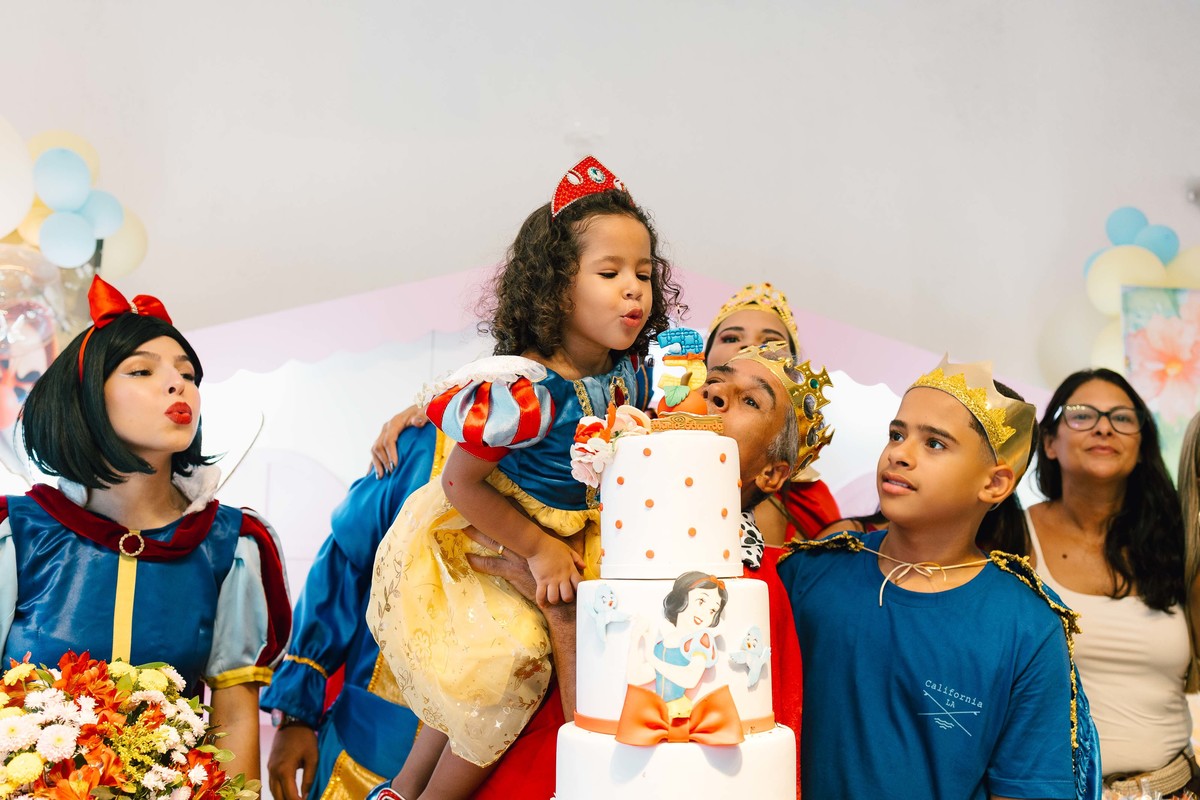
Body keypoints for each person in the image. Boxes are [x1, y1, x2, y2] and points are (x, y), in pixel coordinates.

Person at [365, 156, 682, 800]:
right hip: (497, 532)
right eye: (610, 273)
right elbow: (460, 484)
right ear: (556, 288)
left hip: (573, 535)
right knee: (508, 663)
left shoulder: (631, 374)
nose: (633, 290)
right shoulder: (525, 391)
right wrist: (536, 549)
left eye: (644, 274)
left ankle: (402, 791)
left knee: (482, 676)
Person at [428, 342, 823, 800]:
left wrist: (562, 611)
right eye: (714, 379)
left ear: (772, 474)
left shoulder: (745, 588)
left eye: (750, 401)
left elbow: (629, 756)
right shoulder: (587, 517)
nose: (717, 393)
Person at [0, 276, 291, 781]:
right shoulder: (18, 533)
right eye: (142, 370)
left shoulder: (231, 544)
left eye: (188, 374)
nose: (179, 385)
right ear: (85, 397)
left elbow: (235, 714)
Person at [778, 357, 1100, 800]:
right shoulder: (808, 575)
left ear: (995, 484)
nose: (898, 454)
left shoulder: (1027, 625)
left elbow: (1026, 789)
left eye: (934, 443)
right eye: (897, 434)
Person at [1024, 369, 1194, 798]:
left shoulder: (1178, 544)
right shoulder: (1010, 537)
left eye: (1122, 417)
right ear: (1049, 442)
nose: (1104, 427)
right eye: (1082, 415)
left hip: (1176, 787)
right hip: (1052, 791)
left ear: (1141, 446)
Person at [261, 424, 450, 800]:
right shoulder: (422, 445)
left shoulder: (573, 466)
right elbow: (343, 565)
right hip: (363, 756)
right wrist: (297, 715)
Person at [704, 283, 840, 544]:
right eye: (731, 338)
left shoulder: (809, 502)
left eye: (770, 342)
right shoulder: (639, 434)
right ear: (705, 358)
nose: (748, 346)